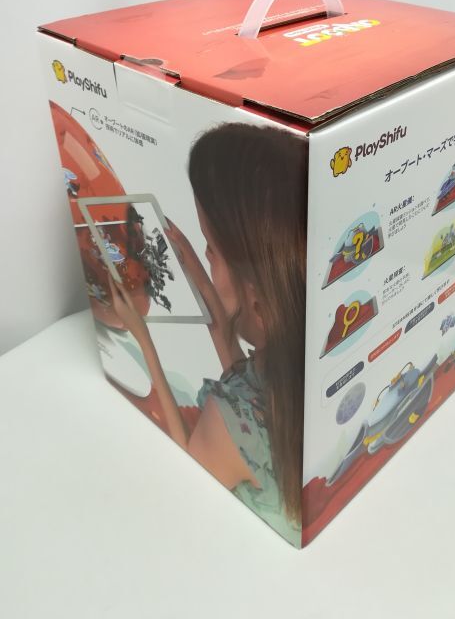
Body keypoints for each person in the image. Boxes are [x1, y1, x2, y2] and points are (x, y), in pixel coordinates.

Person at [108, 122, 308, 545]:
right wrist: (201, 274)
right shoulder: (293, 370)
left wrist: (144, 339)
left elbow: (188, 471)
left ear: (257, 298)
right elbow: (243, 376)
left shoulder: (226, 419)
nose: (204, 254)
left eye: (211, 250)